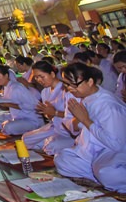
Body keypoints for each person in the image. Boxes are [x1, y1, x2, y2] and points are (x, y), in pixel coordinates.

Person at [54, 63, 126, 193]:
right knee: (62, 159)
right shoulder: (85, 98)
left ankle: (102, 176)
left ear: (90, 82)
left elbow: (116, 144)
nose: (69, 88)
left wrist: (85, 120)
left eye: (73, 85)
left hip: (112, 150)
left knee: (107, 172)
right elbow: (73, 127)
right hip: (93, 151)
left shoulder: (108, 105)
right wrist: (79, 120)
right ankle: (97, 175)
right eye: (66, 84)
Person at [21, 61, 75, 155]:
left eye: (42, 76)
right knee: (25, 139)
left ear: (52, 74)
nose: (39, 80)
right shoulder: (45, 92)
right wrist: (47, 113)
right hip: (54, 126)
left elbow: (75, 116)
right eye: (36, 77)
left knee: (51, 145)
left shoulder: (65, 89)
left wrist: (55, 112)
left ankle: (65, 145)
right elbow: (50, 117)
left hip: (69, 131)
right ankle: (48, 144)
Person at [0, 65, 44, 135]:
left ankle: (20, 128)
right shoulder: (6, 88)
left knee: (8, 127)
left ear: (6, 76)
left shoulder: (17, 87)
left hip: (30, 119)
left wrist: (8, 105)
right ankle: (13, 127)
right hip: (16, 117)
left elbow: (31, 106)